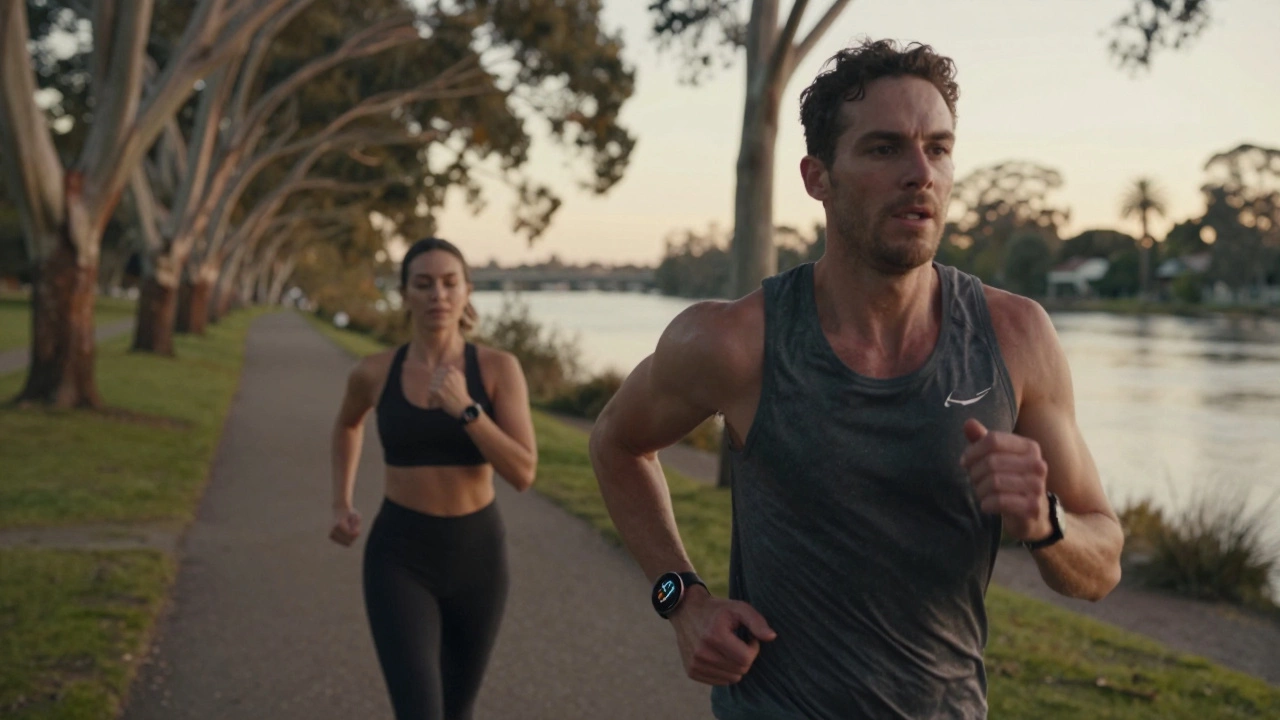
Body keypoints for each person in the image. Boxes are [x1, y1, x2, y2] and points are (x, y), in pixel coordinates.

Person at [588, 39, 1123, 719]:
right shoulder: (733, 341)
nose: (920, 173)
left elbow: (1101, 564)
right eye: (884, 148)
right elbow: (615, 443)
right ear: (818, 177)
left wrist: (1044, 519)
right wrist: (681, 600)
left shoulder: (1017, 338)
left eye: (939, 147)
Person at [329, 237, 537, 720]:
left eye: (449, 283)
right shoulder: (374, 372)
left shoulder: (499, 369)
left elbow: (523, 472)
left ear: (467, 291)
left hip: (478, 556)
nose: (437, 295)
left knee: (457, 711)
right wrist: (340, 501)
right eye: (423, 284)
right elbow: (346, 424)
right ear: (404, 295)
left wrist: (467, 410)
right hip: (399, 554)